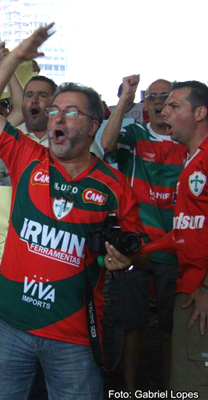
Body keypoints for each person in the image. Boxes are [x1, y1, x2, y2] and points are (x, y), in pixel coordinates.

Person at [0, 25, 148, 399]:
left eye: (72, 112)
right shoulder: (26, 157)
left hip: (76, 337)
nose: (58, 118)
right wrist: (15, 58)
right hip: (10, 326)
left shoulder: (113, 187)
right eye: (54, 111)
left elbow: (137, 251)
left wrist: (124, 260)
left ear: (94, 126)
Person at [100, 75, 187, 390]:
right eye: (152, 96)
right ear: (145, 103)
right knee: (132, 324)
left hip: (176, 249)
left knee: (171, 328)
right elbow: (106, 144)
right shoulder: (134, 134)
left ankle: (171, 388)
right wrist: (125, 98)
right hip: (135, 246)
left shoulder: (187, 140)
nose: (159, 101)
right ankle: (130, 389)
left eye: (166, 96)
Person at [160, 80, 208, 397]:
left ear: (201, 112)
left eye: (174, 106)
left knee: (193, 383)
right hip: (190, 285)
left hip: (200, 292)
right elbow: (187, 230)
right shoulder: (189, 158)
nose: (164, 112)